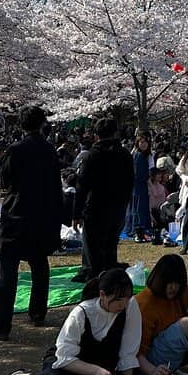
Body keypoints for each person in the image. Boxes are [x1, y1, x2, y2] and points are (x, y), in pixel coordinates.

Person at [0, 106, 64, 341]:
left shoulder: (15, 149)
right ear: (42, 123)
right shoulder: (49, 150)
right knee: (39, 264)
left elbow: (3, 180)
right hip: (43, 215)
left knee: (7, 268)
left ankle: (0, 326)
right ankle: (38, 312)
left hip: (17, 214)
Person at [40, 268, 141, 375]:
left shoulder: (130, 305)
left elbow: (128, 352)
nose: (123, 305)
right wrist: (96, 371)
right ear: (102, 295)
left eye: (127, 299)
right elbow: (64, 357)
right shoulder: (81, 313)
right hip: (71, 363)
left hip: (103, 363)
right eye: (118, 300)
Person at [73, 116, 134, 283]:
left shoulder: (92, 156)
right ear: (116, 133)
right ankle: (109, 278)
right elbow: (130, 183)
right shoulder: (125, 155)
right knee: (110, 247)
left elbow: (81, 187)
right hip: (117, 208)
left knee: (93, 249)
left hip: (95, 208)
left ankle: (94, 278)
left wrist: (77, 213)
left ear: (96, 135)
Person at [132, 135, 154, 243]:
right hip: (139, 185)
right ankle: (139, 232)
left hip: (141, 185)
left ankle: (142, 231)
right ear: (137, 143)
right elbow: (139, 174)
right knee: (139, 208)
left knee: (142, 207)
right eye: (141, 142)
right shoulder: (139, 155)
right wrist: (149, 182)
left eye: (145, 142)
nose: (144, 144)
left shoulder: (144, 155)